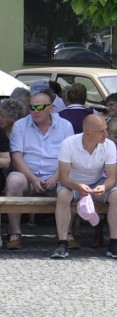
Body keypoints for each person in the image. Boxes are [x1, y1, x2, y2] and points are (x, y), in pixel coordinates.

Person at [5, 92, 75, 250]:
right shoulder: (20, 125)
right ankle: (15, 233)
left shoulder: (65, 126)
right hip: (28, 177)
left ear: (50, 108)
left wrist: (55, 177)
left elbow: (71, 157)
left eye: (40, 107)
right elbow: (16, 157)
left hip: (57, 176)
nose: (35, 111)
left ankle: (66, 233)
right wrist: (33, 179)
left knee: (70, 183)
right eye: (32, 107)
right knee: (14, 179)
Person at [53, 114, 117, 259]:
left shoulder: (109, 145)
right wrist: (78, 186)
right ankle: (62, 242)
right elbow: (63, 177)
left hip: (98, 181)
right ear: (87, 133)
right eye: (101, 131)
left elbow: (112, 176)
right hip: (73, 182)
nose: (106, 134)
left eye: (106, 129)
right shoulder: (69, 143)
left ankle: (114, 243)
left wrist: (104, 187)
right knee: (63, 195)